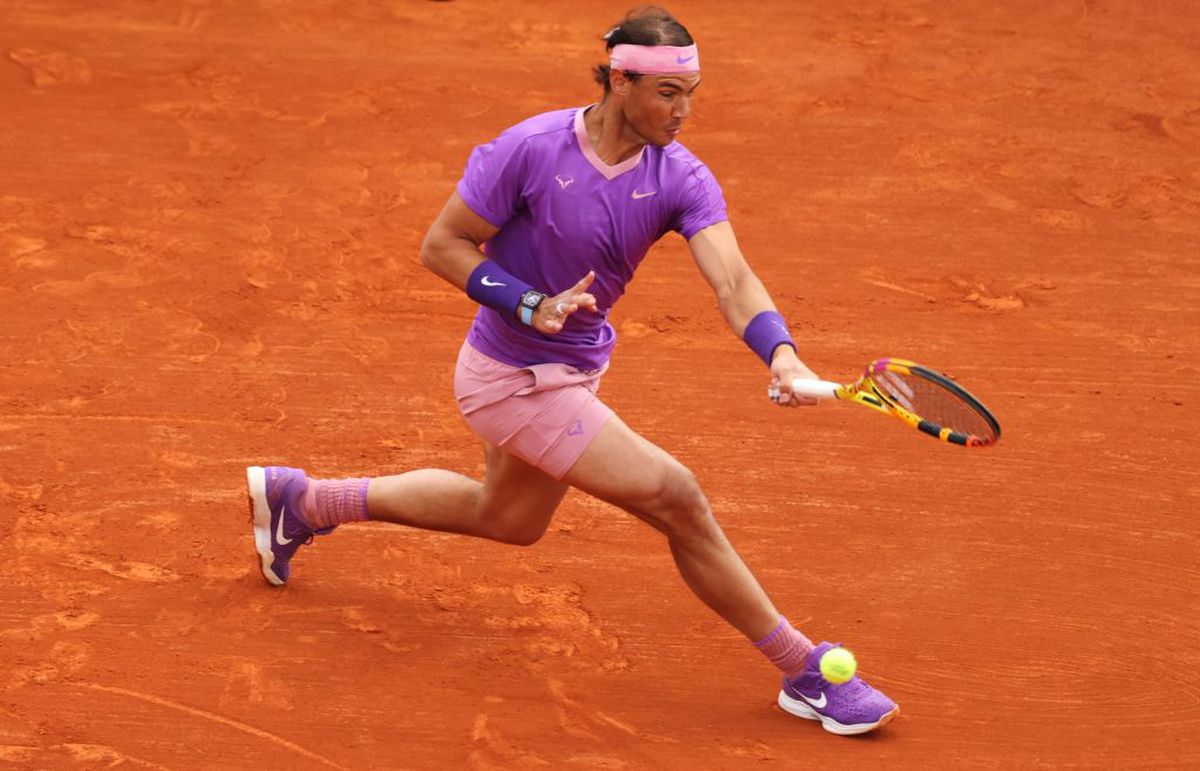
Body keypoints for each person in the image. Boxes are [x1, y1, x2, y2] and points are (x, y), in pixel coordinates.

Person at [246, 6, 897, 736]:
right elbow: (443, 244)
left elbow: (734, 280)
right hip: (510, 378)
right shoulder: (529, 148)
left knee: (508, 517)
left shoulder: (680, 175)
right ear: (621, 81)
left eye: (692, 93)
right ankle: (805, 669)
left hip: (574, 369)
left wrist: (781, 352)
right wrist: (527, 302)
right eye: (667, 94)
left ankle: (301, 501)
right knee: (677, 497)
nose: (682, 112)